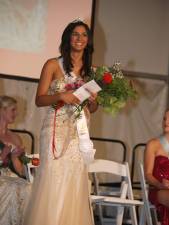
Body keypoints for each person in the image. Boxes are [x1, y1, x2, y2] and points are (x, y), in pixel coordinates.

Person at [23, 20, 98, 225]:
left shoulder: (92, 70)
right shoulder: (53, 64)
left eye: (84, 35)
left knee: (74, 179)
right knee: (53, 178)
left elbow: (93, 108)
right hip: (55, 129)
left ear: (88, 41)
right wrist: (61, 96)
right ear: (68, 37)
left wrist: (92, 102)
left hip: (79, 132)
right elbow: (39, 99)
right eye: (75, 34)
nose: (79, 39)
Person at [0, 95, 31, 225]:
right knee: (11, 187)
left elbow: (20, 171)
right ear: (2, 110)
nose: (16, 113)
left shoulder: (16, 137)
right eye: (13, 110)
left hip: (11, 176)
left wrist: (15, 157)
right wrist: (3, 155)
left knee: (28, 187)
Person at [144, 110, 169, 225]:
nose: (166, 122)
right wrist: (160, 184)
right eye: (164, 118)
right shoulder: (153, 144)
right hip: (158, 189)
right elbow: (148, 175)